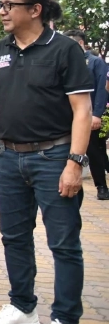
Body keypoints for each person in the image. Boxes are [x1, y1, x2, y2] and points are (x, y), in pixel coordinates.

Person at [0, 0, 93, 324]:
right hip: (10, 158)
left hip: (54, 157)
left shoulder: (63, 49)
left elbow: (82, 109)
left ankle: (64, 322)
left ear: (35, 9)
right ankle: (23, 307)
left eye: (8, 5)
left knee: (63, 243)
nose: (2, 11)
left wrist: (75, 162)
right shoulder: (0, 50)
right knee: (13, 237)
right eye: (0, 5)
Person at [63, 30, 109, 200]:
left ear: (80, 43)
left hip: (89, 115)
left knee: (94, 152)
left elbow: (102, 90)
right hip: (68, 118)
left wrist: (97, 114)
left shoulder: (95, 62)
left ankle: (101, 187)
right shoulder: (65, 61)